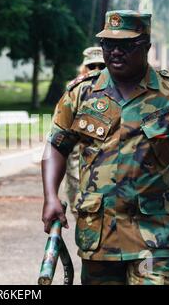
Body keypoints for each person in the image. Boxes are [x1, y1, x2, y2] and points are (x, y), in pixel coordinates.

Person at [42, 10, 169, 285]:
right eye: (108, 45)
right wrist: (50, 196)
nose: (115, 52)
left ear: (146, 45)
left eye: (126, 45)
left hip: (152, 238)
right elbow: (56, 147)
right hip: (98, 238)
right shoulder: (81, 94)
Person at [64, 47, 105, 217]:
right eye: (91, 66)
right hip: (77, 164)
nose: (96, 71)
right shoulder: (76, 91)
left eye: (101, 66)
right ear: (83, 68)